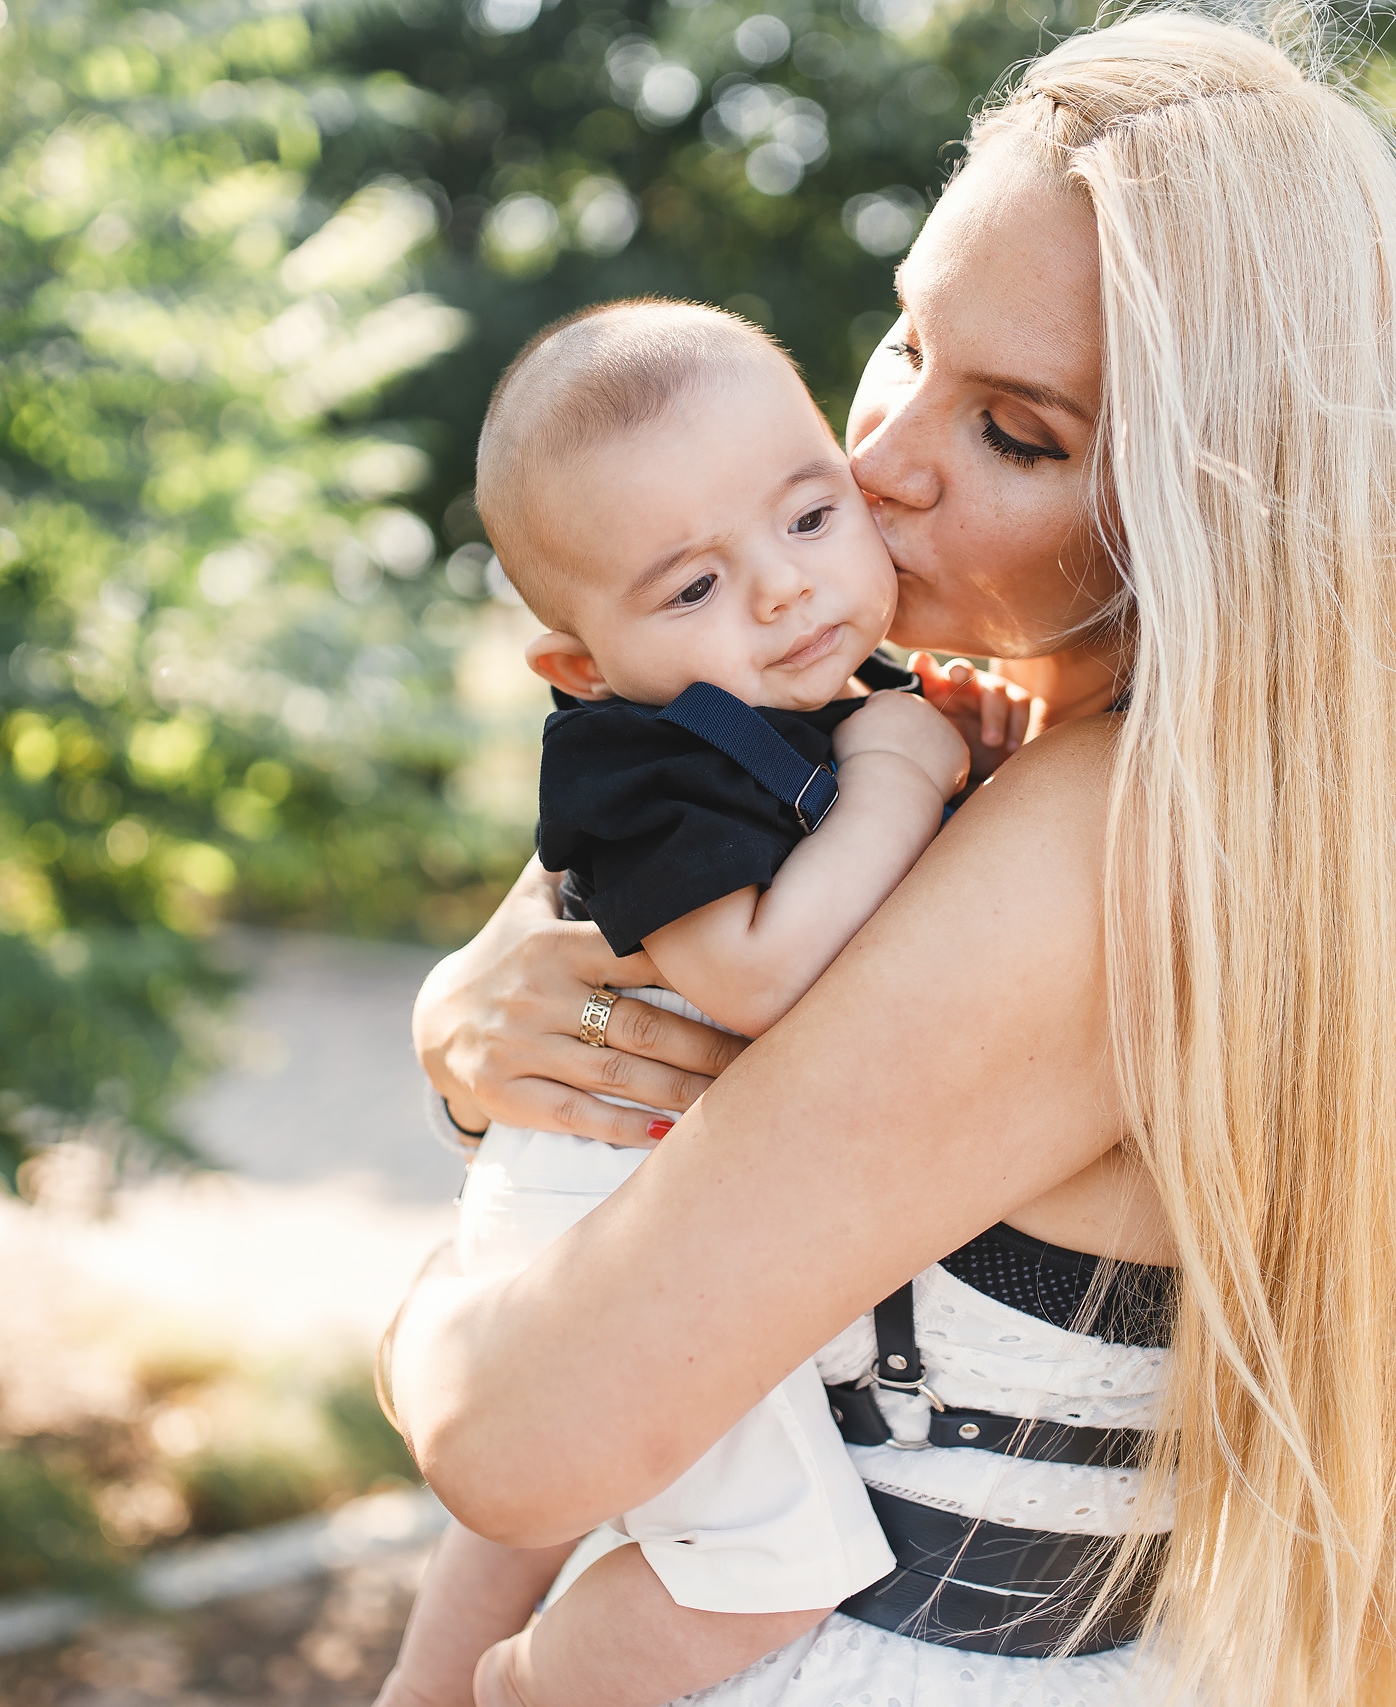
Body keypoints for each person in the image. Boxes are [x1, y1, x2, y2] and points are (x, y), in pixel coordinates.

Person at [389, 12, 1396, 1704]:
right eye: (908, 339)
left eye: (1018, 433)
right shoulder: (942, 752)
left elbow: (518, 1436)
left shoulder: (1090, 856)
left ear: (1202, 511)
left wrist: (416, 1321)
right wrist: (474, 1049)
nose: (878, 460)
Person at [375, 299, 973, 1707]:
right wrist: (903, 777)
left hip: (629, 1183)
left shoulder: (825, 701)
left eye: (810, 518)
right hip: (594, 1192)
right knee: (768, 1560)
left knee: (584, 1504)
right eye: (693, 587)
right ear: (583, 669)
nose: (781, 590)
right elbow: (757, 974)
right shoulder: (641, 766)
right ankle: (521, 1689)